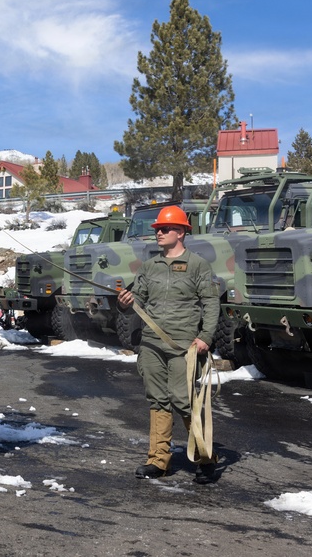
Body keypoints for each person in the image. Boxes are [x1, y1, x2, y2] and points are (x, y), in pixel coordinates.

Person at [116, 205, 219, 484]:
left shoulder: (198, 265)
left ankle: (206, 458)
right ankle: (158, 461)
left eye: (164, 229)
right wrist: (124, 303)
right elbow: (134, 301)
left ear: (182, 232)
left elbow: (211, 302)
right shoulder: (149, 267)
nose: (159, 233)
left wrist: (206, 337)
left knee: (184, 400)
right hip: (151, 344)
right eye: (157, 229)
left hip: (183, 344)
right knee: (157, 399)